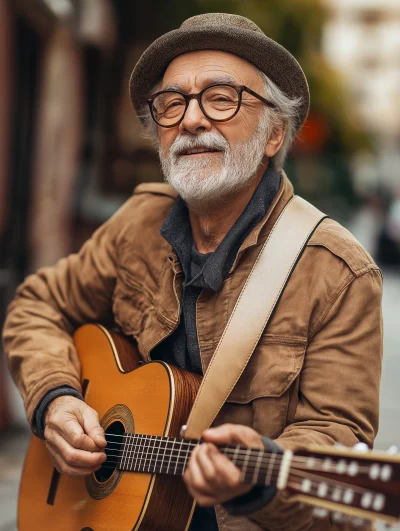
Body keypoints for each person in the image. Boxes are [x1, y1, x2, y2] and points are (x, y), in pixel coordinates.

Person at [2, 13, 382, 531]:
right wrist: (55, 398)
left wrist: (259, 475)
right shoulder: (138, 222)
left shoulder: (339, 273)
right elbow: (38, 303)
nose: (192, 119)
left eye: (221, 98)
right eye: (172, 103)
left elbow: (337, 438)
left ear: (274, 132)